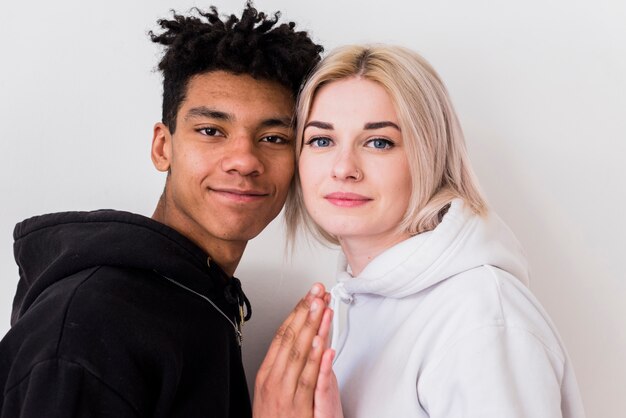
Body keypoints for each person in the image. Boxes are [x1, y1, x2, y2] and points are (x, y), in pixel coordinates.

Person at [0, 3, 334, 417]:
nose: (244, 160)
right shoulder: (92, 322)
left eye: (273, 138)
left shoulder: (201, 297)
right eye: (211, 131)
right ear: (163, 147)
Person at [287, 45, 586, 417]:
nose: (344, 167)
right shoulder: (356, 299)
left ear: (429, 155)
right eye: (322, 140)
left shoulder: (481, 318)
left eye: (379, 142)